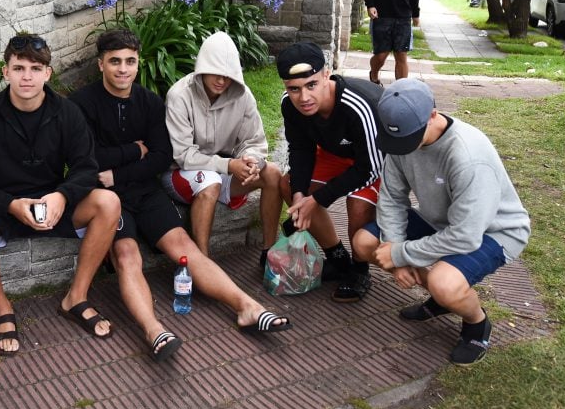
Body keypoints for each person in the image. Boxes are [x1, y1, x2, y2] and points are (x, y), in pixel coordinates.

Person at [71, 30, 292, 352]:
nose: (123, 69)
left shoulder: (148, 101)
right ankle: (153, 329)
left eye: (130, 61)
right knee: (126, 255)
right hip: (106, 200)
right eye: (115, 61)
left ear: (138, 63)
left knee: (184, 246)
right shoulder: (79, 103)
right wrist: (135, 150)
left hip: (145, 192)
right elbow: (85, 158)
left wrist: (119, 170)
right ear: (100, 64)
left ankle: (248, 307)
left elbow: (161, 156)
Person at [0, 34, 119, 356]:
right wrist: (10, 204)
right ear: (5, 72)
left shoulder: (68, 113)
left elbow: (87, 167)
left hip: (53, 204)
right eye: (19, 68)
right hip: (4, 208)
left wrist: (62, 196)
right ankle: (3, 309)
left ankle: (77, 297)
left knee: (108, 202)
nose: (26, 76)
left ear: (48, 73)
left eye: (35, 68)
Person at [355, 79, 531, 364]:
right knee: (364, 243)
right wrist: (395, 250)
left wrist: (400, 254)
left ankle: (476, 323)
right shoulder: (401, 139)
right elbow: (391, 198)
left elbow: (466, 236)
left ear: (433, 115)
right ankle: (440, 300)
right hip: (442, 222)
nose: (403, 148)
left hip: (494, 232)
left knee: (445, 283)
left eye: (410, 139)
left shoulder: (468, 156)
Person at [277, 42, 385, 302]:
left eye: (311, 85)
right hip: (336, 154)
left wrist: (317, 200)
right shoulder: (290, 105)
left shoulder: (359, 105)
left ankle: (360, 270)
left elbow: (368, 168)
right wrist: (301, 195)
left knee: (358, 206)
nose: (303, 98)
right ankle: (337, 259)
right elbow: (300, 149)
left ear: (326, 75)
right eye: (294, 89)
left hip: (376, 159)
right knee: (288, 185)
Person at [164, 31, 283, 258]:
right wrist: (229, 165)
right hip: (180, 173)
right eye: (216, 73)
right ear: (202, 68)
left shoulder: (243, 95)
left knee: (273, 173)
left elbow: (254, 141)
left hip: (223, 171)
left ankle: (269, 250)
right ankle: (202, 262)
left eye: (228, 75)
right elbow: (183, 155)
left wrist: (251, 161)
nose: (222, 81)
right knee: (210, 182)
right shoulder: (179, 95)